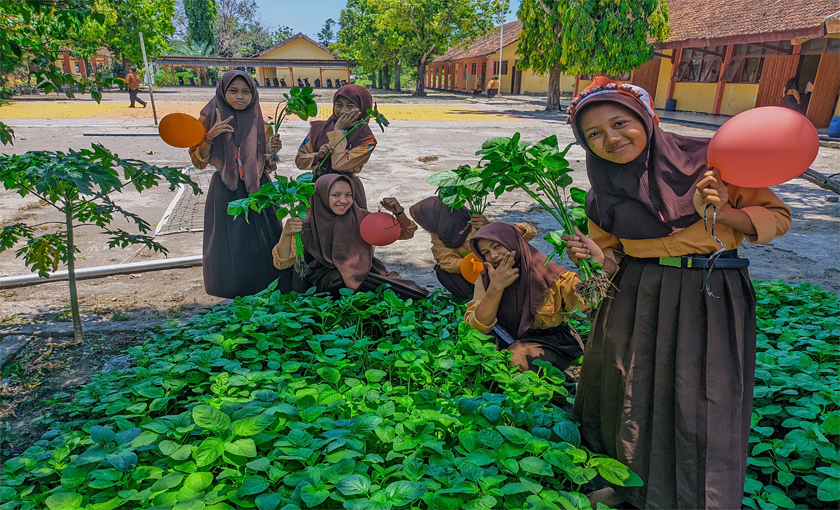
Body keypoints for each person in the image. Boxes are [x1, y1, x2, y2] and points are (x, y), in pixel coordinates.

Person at [562, 77, 791, 509]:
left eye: (619, 123)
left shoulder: (713, 165)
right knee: (632, 394)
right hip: (636, 297)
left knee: (703, 398)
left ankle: (702, 498)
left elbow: (777, 218)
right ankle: (633, 486)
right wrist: (595, 255)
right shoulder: (603, 194)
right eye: (593, 134)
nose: (610, 138)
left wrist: (726, 211)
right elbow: (613, 262)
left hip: (708, 295)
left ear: (647, 119)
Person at [189, 70, 288, 298]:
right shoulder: (207, 120)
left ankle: (268, 286)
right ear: (223, 92)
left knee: (265, 237)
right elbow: (199, 162)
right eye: (233, 91)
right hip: (226, 188)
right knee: (228, 241)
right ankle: (230, 287)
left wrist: (273, 152)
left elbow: (268, 165)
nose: (240, 97)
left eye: (246, 92)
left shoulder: (261, 124)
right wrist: (210, 136)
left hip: (260, 188)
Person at [273, 174, 428, 301]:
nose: (344, 201)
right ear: (321, 196)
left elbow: (405, 233)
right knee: (341, 282)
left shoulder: (361, 218)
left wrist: (398, 212)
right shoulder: (305, 224)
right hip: (325, 279)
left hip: (365, 271)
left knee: (414, 293)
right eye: (335, 195)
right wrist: (286, 233)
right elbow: (282, 262)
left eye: (349, 195)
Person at [464, 222, 587, 373]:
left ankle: (560, 380)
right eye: (486, 253)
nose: (493, 256)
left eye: (496, 246)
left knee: (516, 358)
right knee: (473, 349)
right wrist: (496, 287)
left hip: (552, 343)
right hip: (508, 337)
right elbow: (477, 327)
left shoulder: (553, 276)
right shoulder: (486, 278)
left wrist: (592, 265)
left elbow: (587, 309)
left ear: (512, 242)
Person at [409, 197, 536, 299]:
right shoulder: (439, 236)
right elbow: (446, 261)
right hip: (479, 275)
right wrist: (475, 262)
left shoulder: (474, 220)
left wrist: (491, 228)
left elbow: (529, 231)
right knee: (442, 271)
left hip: (508, 268)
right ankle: (478, 297)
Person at [296, 84, 376, 209]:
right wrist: (318, 155)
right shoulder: (317, 130)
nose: (343, 111)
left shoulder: (367, 140)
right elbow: (300, 161)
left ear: (363, 108)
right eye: (339, 105)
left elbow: (339, 164)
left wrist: (338, 130)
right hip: (317, 189)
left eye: (350, 106)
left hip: (347, 195)